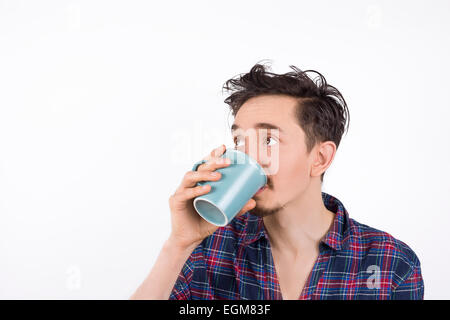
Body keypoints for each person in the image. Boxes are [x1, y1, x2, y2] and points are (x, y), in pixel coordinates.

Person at [130, 62, 424, 300]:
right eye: (239, 140)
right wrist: (178, 245)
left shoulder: (389, 264)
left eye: (268, 139)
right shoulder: (209, 251)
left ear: (320, 158)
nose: (249, 156)